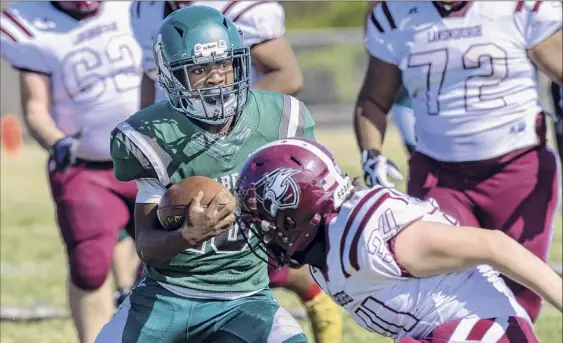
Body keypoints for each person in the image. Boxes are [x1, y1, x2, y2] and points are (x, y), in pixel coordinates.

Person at [94, 6, 317, 342]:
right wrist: (186, 235)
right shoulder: (152, 135)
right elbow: (147, 245)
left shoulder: (281, 118)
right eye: (199, 68)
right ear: (172, 76)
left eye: (224, 64)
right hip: (168, 296)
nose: (215, 77)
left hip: (246, 298)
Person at [234, 137, 563, 343]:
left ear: (297, 208)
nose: (263, 230)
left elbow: (495, 246)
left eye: (265, 219)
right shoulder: (323, 250)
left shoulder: (367, 233)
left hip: (486, 331)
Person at [355, 0, 562, 321]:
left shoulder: (517, 6)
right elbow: (373, 100)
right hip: (440, 174)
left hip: (518, 171)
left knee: (520, 295)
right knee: (446, 294)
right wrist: (371, 154)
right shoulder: (395, 13)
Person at [0, 2, 143, 342]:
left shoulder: (135, 6)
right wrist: (57, 142)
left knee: (182, 254)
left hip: (151, 159)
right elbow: (34, 107)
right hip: (86, 165)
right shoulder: (30, 23)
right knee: (90, 265)